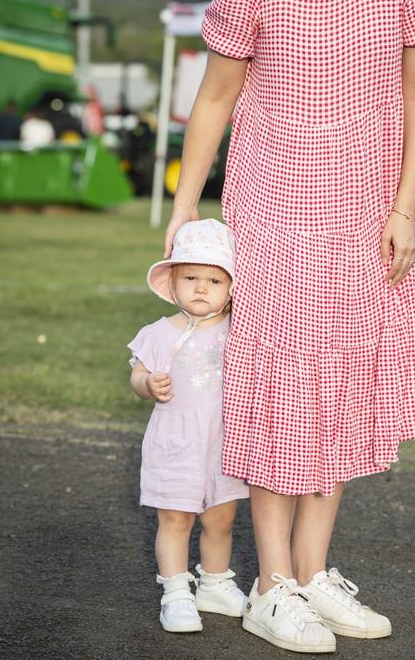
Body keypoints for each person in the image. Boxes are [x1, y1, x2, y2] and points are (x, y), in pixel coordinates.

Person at [165, 0, 415, 653]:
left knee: (341, 391)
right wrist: (186, 207)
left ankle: (315, 575)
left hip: (369, 215)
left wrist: (407, 206)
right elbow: (215, 97)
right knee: (278, 391)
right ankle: (270, 585)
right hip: (274, 211)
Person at [128, 218, 249, 634]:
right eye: (191, 277)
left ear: (231, 287)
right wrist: (147, 383)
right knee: (176, 520)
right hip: (176, 442)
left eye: (214, 280)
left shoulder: (239, 331)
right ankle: (176, 592)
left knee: (221, 519)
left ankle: (214, 583)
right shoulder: (159, 332)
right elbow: (137, 375)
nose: (201, 287)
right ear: (172, 282)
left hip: (223, 442)